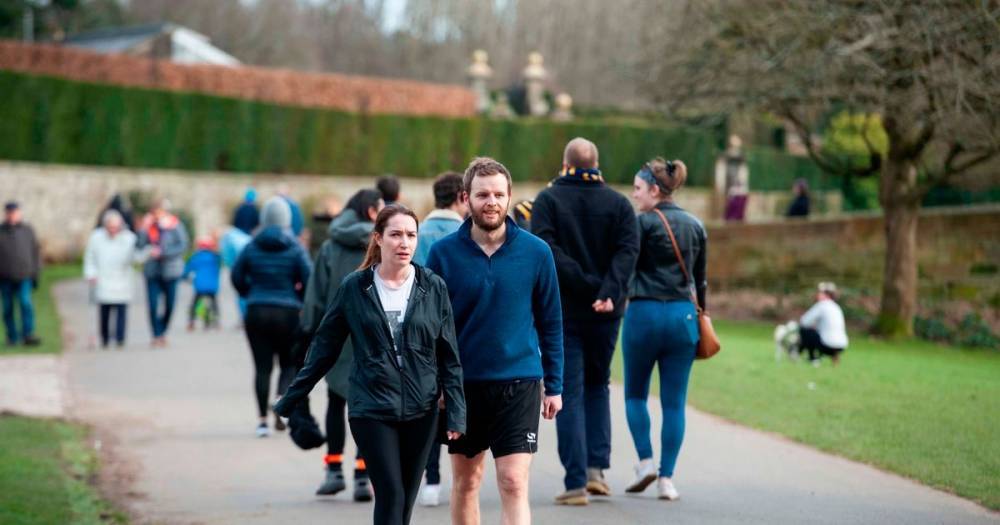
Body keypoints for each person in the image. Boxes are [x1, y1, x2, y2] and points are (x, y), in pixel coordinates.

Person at [275, 205, 466, 525]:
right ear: (378, 239)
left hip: (422, 409)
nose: (404, 242)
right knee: (390, 493)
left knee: (404, 499)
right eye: (395, 235)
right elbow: (324, 347)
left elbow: (449, 355)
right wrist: (293, 397)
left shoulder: (432, 287)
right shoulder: (355, 287)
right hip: (371, 407)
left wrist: (457, 412)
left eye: (410, 235)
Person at [426, 157, 563, 525]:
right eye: (483, 194)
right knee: (467, 482)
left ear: (509, 197)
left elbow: (551, 322)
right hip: (462, 386)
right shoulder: (442, 254)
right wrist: (437, 381)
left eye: (499, 194)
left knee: (514, 481)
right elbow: (431, 326)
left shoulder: (536, 252)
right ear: (465, 198)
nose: (492, 202)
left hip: (519, 382)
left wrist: (555, 385)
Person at [531, 138, 639, 505]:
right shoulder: (619, 204)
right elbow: (628, 251)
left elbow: (547, 249)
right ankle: (597, 470)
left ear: (565, 163)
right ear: (597, 163)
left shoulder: (548, 201)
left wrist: (584, 283)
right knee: (599, 385)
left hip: (563, 310)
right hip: (607, 311)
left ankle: (576, 481)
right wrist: (607, 290)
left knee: (570, 391)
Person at [626, 157, 707, 501]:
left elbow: (625, 268)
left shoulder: (641, 224)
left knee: (634, 394)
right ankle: (667, 479)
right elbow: (700, 280)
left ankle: (645, 462)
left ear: (655, 190)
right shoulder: (696, 225)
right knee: (675, 404)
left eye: (638, 188)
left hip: (643, 313)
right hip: (682, 317)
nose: (634, 194)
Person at [299, 188, 384, 501]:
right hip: (373, 334)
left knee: (335, 401)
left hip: (336, 334)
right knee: (368, 406)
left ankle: (332, 470)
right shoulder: (379, 242)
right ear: (373, 212)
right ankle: (363, 474)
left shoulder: (331, 246)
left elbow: (315, 295)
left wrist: (309, 333)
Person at [231, 197, 312, 437]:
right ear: (287, 220)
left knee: (262, 367)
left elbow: (236, 276)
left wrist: (249, 293)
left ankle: (261, 422)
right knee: (289, 364)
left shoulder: (252, 245)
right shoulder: (296, 247)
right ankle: (280, 399)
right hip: (287, 312)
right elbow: (309, 278)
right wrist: (299, 298)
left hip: (256, 310)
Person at [413, 171, 467, 506]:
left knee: (431, 404)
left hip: (424, 331)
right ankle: (463, 476)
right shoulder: (466, 235)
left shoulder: (416, 234)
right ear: (463, 197)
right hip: (464, 331)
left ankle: (430, 479)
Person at [83, 210, 141, 348]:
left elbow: (136, 256)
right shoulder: (96, 238)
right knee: (105, 310)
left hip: (122, 278)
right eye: (111, 227)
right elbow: (90, 257)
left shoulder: (129, 238)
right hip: (103, 277)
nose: (113, 230)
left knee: (121, 310)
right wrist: (91, 274)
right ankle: (105, 337)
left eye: (116, 227)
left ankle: (120, 338)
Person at [137, 198, 190, 347]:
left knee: (170, 304)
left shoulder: (175, 225)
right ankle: (156, 334)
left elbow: (183, 245)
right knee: (153, 304)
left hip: (170, 271)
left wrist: (164, 252)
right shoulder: (147, 226)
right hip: (152, 270)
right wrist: (143, 229)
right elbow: (140, 245)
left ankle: (163, 330)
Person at [0, 201, 41, 347]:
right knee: (7, 308)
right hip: (5, 277)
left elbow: (35, 253)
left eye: (15, 212)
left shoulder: (27, 230)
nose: (12, 215)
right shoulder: (1, 231)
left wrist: (36, 274)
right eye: (9, 213)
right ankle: (12, 336)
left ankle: (28, 334)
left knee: (25, 303)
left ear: (19, 213)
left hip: (25, 276)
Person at [799, 282, 848, 365]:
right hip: (842, 345)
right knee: (817, 332)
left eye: (819, 293)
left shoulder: (822, 305)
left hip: (826, 345)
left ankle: (812, 358)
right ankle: (834, 356)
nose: (817, 295)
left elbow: (804, 321)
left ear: (826, 294)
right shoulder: (836, 307)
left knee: (805, 330)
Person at [184, 236, 222, 331]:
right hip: (212, 287)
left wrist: (186, 278)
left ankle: (191, 322)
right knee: (214, 303)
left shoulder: (196, 257)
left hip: (199, 286)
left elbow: (187, 270)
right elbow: (220, 263)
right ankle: (216, 322)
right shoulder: (215, 257)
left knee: (195, 303)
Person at [219, 225, 252, 323]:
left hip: (241, 267)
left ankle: (244, 317)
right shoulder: (240, 237)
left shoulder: (227, 239)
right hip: (249, 268)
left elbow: (227, 259)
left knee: (242, 294)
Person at [715, 134, 750, 222]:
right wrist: (720, 183)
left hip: (737, 184)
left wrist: (742, 181)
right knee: (727, 204)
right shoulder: (725, 156)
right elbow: (721, 169)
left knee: (737, 205)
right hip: (728, 182)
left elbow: (743, 171)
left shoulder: (741, 156)